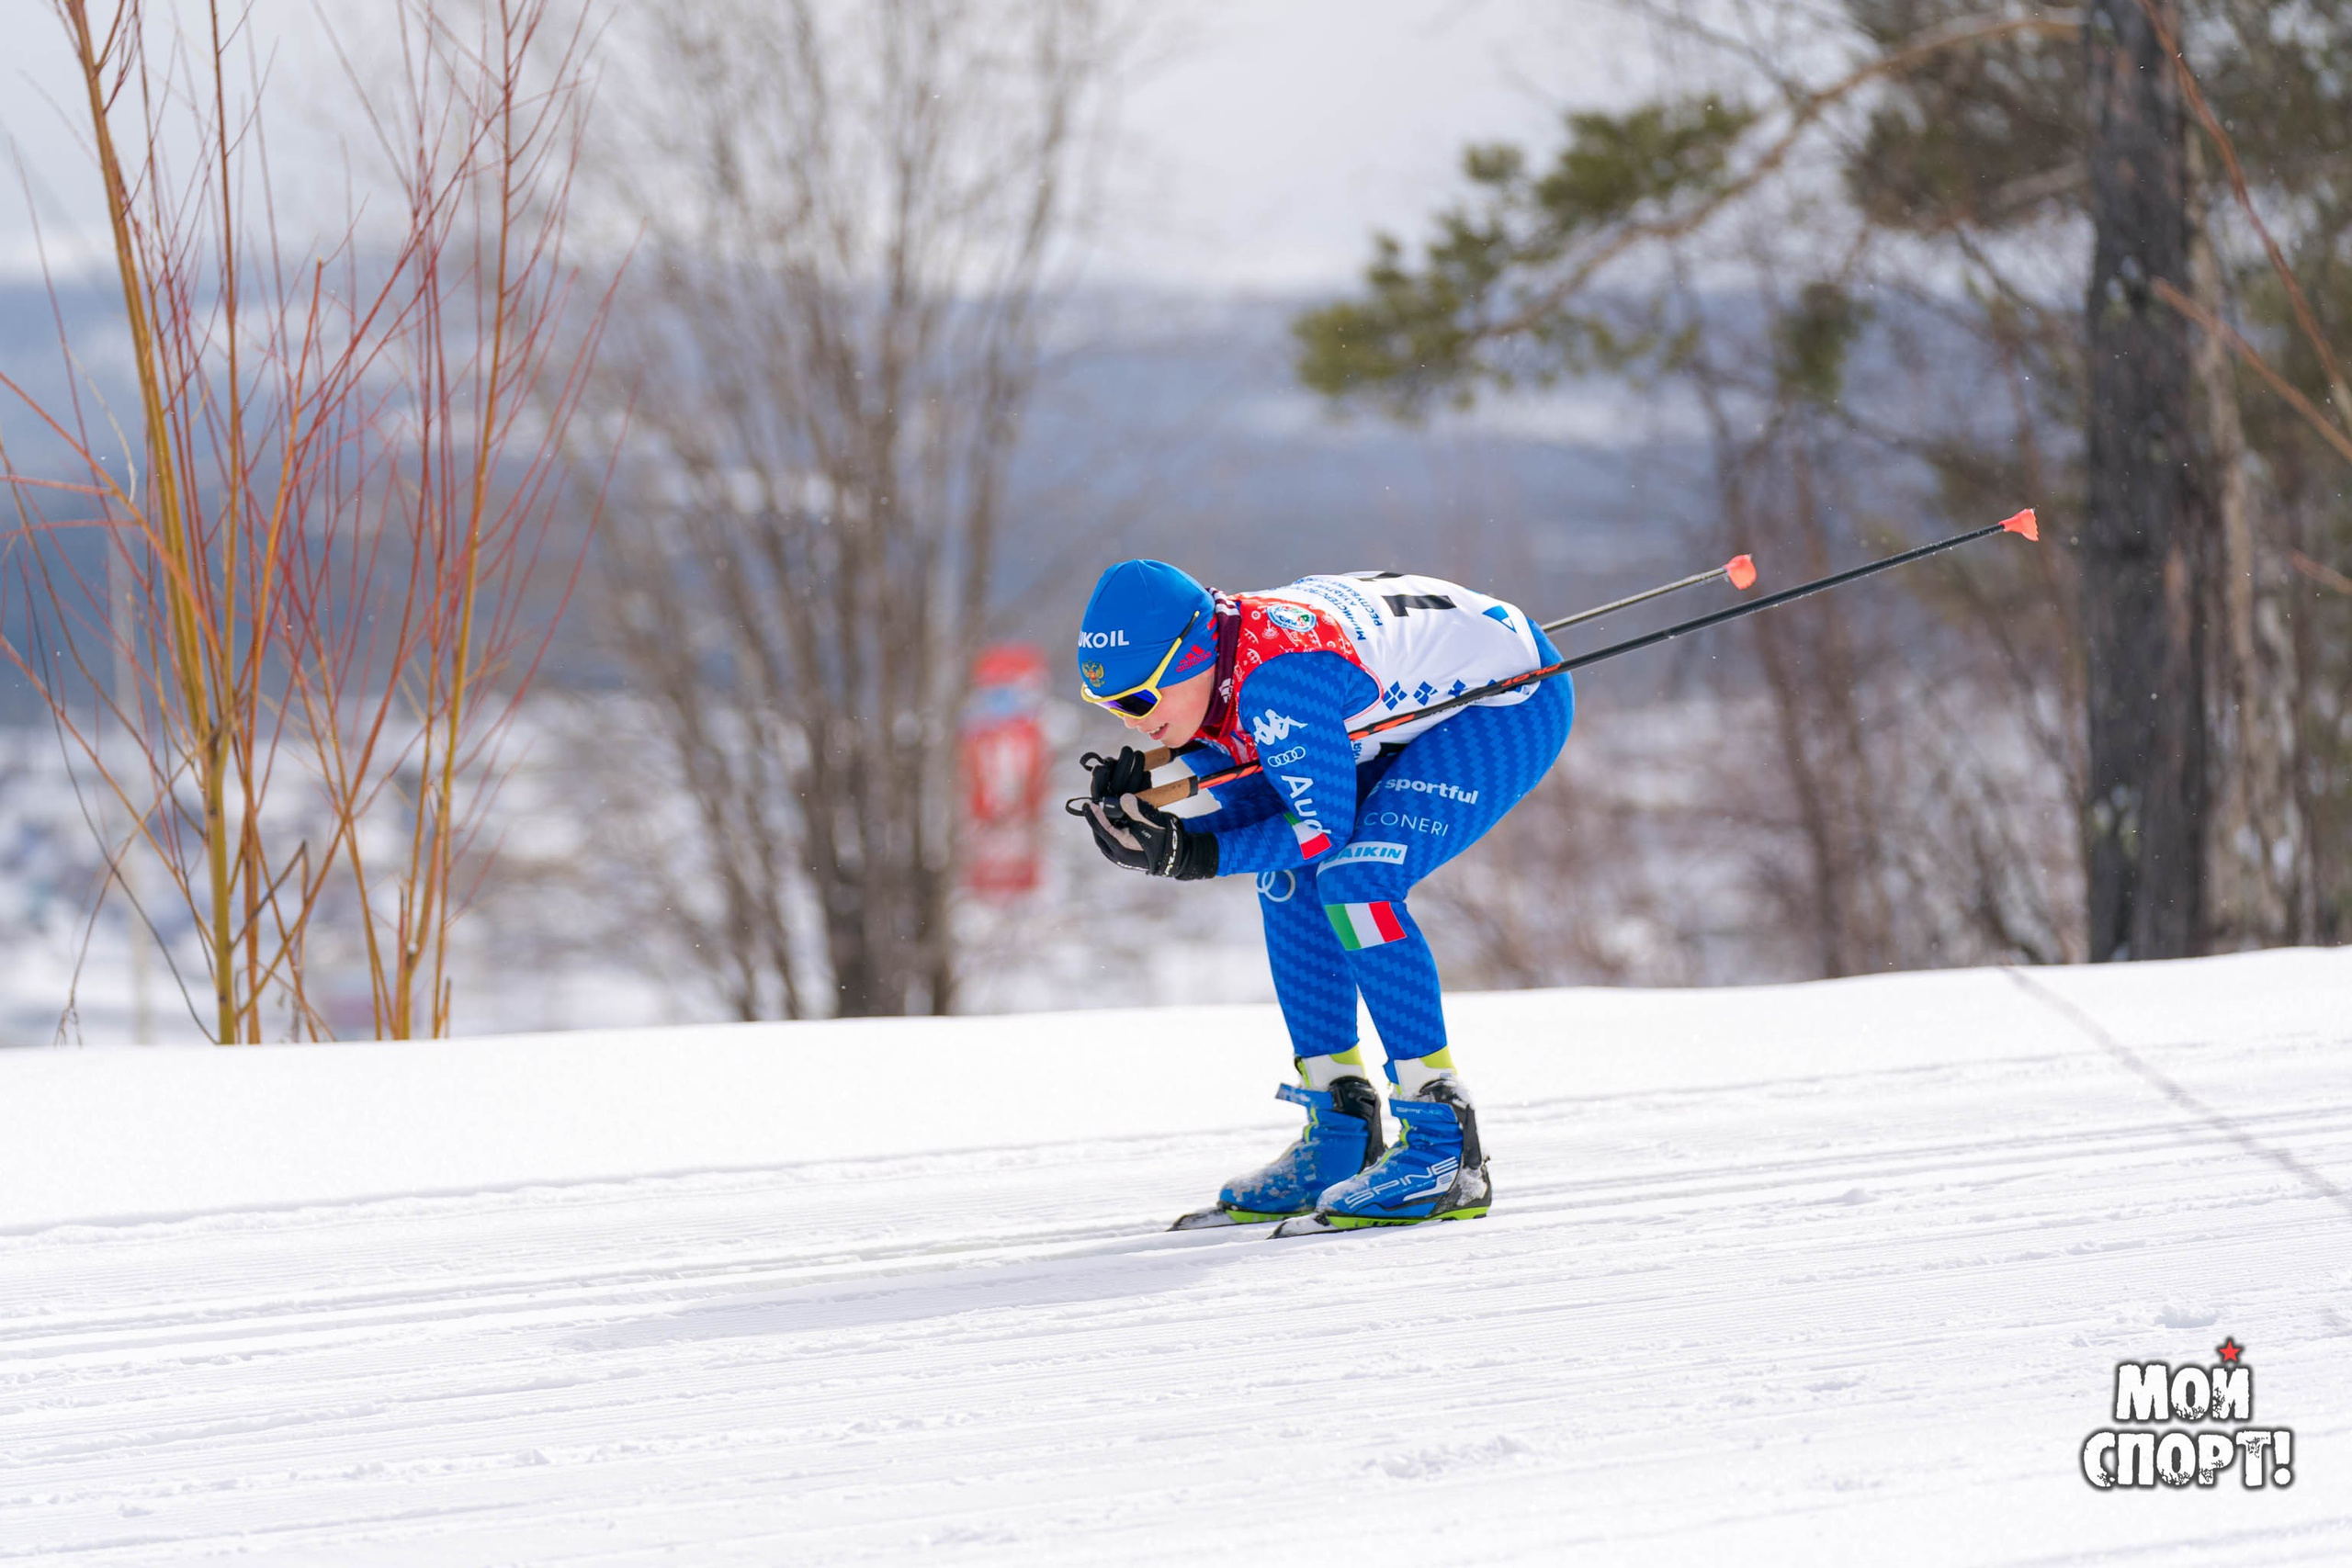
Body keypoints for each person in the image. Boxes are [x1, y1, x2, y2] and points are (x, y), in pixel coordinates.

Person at [1075, 560, 1573, 1233]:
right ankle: (1340, 1125)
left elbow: (1318, 828)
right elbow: (1264, 823)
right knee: (1286, 880)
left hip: (1508, 700)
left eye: (1138, 700)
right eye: (1107, 705)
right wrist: (1160, 831)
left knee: (1357, 880)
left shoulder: (1279, 683)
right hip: (1408, 674)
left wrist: (1188, 852)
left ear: (1192, 655)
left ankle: (1444, 1144)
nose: (1132, 723)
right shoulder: (1216, 679)